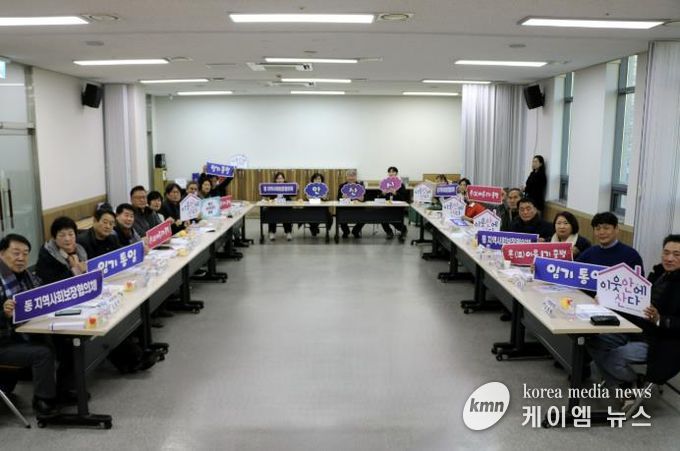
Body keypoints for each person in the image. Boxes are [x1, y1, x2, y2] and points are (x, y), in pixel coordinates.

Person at [587, 235, 680, 392]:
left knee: (615, 357)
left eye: (676, 254)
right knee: (592, 339)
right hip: (635, 329)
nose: (669, 258)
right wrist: (607, 298)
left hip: (660, 341)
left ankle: (628, 383)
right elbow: (633, 300)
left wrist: (660, 319)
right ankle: (629, 383)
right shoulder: (658, 273)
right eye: (666, 252)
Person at [0, 234, 58, 416]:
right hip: (3, 343)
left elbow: (42, 294)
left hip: (17, 335)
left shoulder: (26, 276)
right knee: (43, 353)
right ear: (1, 253)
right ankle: (43, 402)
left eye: (25, 254)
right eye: (16, 253)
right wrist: (3, 313)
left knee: (59, 340)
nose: (21, 258)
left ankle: (63, 388)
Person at [577, 212, 643, 272]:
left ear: (616, 229)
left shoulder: (631, 255)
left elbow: (639, 280)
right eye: (597, 229)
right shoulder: (589, 253)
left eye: (606, 228)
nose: (601, 232)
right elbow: (574, 270)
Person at [36, 217, 88, 285]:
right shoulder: (46, 256)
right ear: (54, 238)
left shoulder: (81, 248)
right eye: (62, 235)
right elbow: (52, 284)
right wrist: (75, 271)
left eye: (71, 234)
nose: (67, 239)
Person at [378, 166, 408, 240]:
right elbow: (379, 198)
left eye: (393, 172)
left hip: (397, 207)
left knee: (395, 220)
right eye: (389, 172)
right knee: (382, 217)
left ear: (396, 173)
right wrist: (383, 194)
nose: (391, 173)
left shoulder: (401, 184)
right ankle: (389, 232)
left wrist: (395, 193)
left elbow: (403, 198)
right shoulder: (385, 184)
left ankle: (403, 230)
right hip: (387, 206)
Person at [265, 172, 293, 241]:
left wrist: (297, 189)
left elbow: (293, 195)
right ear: (275, 180)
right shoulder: (272, 187)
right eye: (278, 178)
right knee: (271, 212)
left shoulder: (288, 187)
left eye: (281, 178)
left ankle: (288, 232)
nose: (280, 180)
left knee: (287, 213)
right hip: (274, 207)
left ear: (284, 179)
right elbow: (267, 195)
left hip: (285, 207)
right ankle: (272, 232)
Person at [337, 169, 365, 239]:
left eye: (353, 176)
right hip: (345, 208)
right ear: (346, 177)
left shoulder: (360, 185)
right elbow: (338, 198)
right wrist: (342, 197)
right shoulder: (342, 186)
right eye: (349, 176)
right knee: (339, 213)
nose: (351, 178)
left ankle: (355, 231)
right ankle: (346, 232)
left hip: (358, 208)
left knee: (365, 215)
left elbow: (365, 199)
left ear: (356, 177)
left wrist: (361, 199)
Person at [306, 172, 330, 237]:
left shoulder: (324, 187)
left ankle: (317, 229)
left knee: (328, 216)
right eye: (315, 179)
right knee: (308, 214)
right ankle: (314, 228)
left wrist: (324, 197)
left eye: (319, 179)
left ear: (321, 180)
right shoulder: (309, 187)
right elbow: (307, 198)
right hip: (311, 208)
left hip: (322, 208)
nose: (317, 180)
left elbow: (327, 198)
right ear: (313, 180)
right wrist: (309, 197)